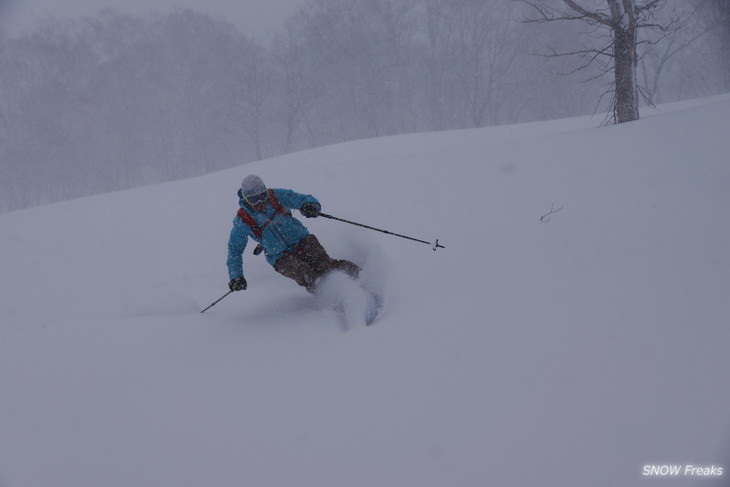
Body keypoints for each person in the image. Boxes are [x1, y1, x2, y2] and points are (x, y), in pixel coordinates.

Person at [227, 175, 360, 294]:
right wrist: (236, 277)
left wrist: (311, 205)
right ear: (245, 199)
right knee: (308, 276)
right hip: (279, 256)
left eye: (262, 196)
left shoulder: (276, 196)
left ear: (266, 191)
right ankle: (333, 298)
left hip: (302, 240)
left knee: (326, 266)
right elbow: (234, 250)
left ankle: (362, 277)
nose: (259, 202)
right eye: (253, 199)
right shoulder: (243, 219)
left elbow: (303, 199)